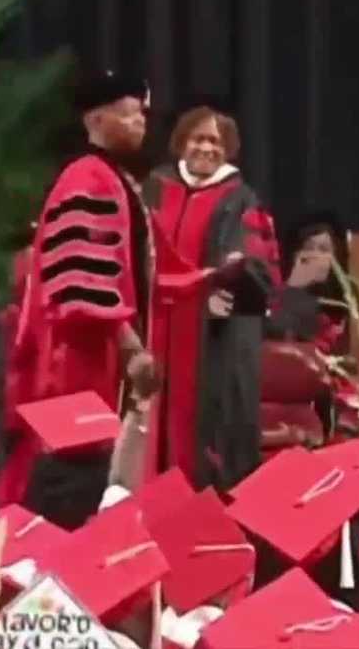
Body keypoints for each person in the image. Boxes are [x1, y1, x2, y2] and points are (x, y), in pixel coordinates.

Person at [0, 71, 160, 516]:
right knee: (73, 486)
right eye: (130, 112)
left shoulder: (114, 179)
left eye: (142, 113)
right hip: (78, 361)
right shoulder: (88, 178)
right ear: (97, 117)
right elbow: (83, 280)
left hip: (97, 360)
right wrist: (131, 346)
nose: (141, 121)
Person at [143, 104, 281, 491]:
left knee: (206, 428)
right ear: (181, 143)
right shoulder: (156, 186)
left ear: (229, 149)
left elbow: (260, 274)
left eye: (215, 141)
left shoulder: (241, 199)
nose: (206, 148)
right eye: (198, 138)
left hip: (210, 333)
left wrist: (232, 275)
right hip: (157, 325)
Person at [267, 210, 351, 354]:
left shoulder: (345, 306)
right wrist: (294, 290)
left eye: (323, 250)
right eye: (308, 248)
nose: (315, 256)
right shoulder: (275, 298)